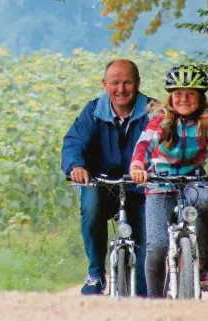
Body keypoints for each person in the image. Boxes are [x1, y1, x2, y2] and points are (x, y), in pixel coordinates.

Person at [129, 65, 208, 297]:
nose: (183, 99)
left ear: (200, 96)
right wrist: (137, 166)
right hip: (159, 183)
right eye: (178, 94)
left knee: (205, 200)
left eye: (190, 94)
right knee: (156, 248)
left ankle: (205, 267)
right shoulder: (161, 118)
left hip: (193, 180)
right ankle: (155, 302)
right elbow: (145, 143)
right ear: (170, 96)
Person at [61, 59, 159, 296]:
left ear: (138, 84)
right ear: (105, 84)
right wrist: (76, 166)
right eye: (115, 83)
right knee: (91, 206)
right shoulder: (94, 111)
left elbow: (171, 143)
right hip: (102, 182)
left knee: (148, 236)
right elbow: (73, 142)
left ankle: (145, 292)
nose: (121, 89)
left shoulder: (154, 111)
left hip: (143, 186)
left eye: (127, 82)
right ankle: (95, 273)